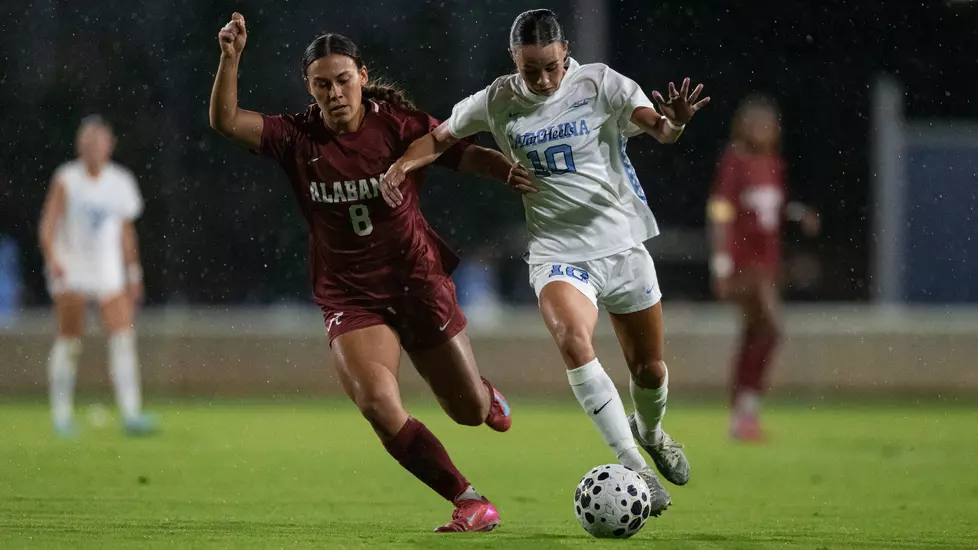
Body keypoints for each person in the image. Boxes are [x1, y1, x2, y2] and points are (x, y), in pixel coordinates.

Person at [208, 13, 534, 533]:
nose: (334, 92)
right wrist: (230, 58)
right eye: (322, 84)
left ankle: (482, 391)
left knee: (470, 412)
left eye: (342, 79)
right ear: (309, 88)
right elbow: (226, 121)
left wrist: (503, 170)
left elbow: (460, 154)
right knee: (378, 404)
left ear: (361, 75)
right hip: (350, 296)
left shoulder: (397, 124)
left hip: (417, 283)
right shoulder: (296, 135)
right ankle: (469, 500)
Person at [382, 9, 709, 516]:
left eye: (552, 67)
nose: (543, 79)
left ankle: (651, 432)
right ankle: (634, 465)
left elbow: (660, 130)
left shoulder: (601, 83)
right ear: (514, 59)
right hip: (558, 252)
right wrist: (404, 163)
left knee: (649, 369)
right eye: (531, 69)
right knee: (573, 342)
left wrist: (676, 123)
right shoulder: (497, 99)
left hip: (622, 246)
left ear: (566, 54)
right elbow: (440, 137)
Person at [707, 94, 819, 442]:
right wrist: (722, 263)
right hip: (745, 265)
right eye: (756, 124)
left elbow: (772, 209)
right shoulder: (735, 161)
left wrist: (797, 214)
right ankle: (746, 408)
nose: (763, 131)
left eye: (769, 125)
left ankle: (742, 413)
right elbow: (721, 210)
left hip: (767, 264)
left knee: (755, 333)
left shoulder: (772, 164)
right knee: (770, 329)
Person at [38, 115, 157, 438]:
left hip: (108, 270)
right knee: (70, 341)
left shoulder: (120, 182)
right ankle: (61, 415)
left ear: (110, 145)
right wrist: (53, 259)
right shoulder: (67, 179)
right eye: (88, 143)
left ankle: (131, 412)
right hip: (72, 268)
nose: (94, 149)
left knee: (122, 338)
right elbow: (48, 224)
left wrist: (134, 274)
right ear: (80, 146)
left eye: (100, 142)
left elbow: (126, 234)